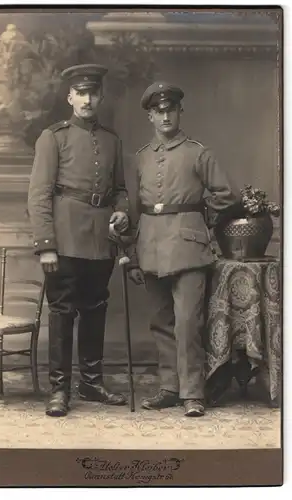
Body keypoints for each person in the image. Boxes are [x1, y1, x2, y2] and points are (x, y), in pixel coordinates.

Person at [128, 81, 241, 417]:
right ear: (150, 116)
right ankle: (169, 387)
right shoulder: (141, 158)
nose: (165, 116)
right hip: (150, 244)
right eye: (158, 111)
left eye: (170, 110)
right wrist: (133, 253)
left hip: (189, 246)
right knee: (161, 321)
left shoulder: (198, 152)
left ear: (179, 112)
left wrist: (202, 221)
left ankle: (193, 392)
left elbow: (227, 196)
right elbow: (135, 209)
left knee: (188, 321)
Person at [28, 64, 130, 417]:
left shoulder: (112, 140)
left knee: (95, 309)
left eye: (93, 93)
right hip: (65, 237)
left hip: (101, 239)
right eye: (81, 93)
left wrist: (122, 211)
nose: (87, 99)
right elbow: (39, 194)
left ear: (101, 97)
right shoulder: (53, 137)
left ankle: (90, 382)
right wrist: (46, 245)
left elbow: (120, 190)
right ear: (70, 97)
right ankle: (59, 389)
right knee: (62, 311)